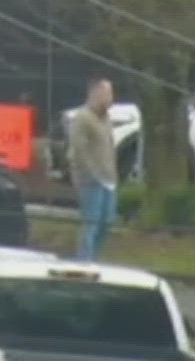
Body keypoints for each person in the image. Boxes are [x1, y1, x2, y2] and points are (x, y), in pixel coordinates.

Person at [67, 77, 120, 261]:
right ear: (95, 94)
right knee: (91, 222)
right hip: (91, 180)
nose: (111, 99)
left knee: (107, 223)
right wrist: (90, 175)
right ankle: (84, 261)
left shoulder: (106, 119)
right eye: (107, 94)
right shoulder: (82, 118)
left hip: (109, 180)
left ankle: (94, 258)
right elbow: (78, 151)